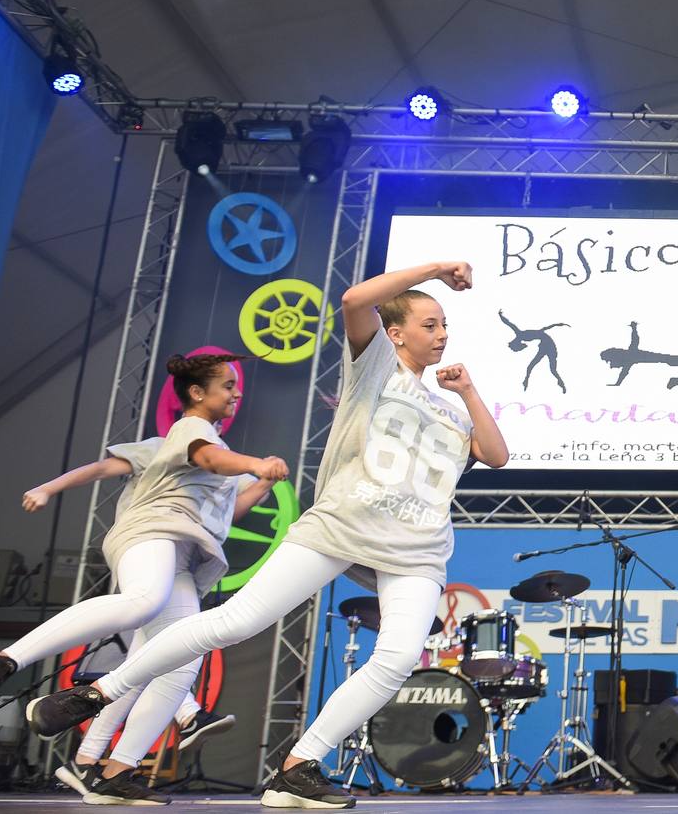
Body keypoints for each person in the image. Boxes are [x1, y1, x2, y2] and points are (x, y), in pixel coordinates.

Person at [28, 261, 509, 811]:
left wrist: (469, 391)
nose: (442, 334)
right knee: (237, 620)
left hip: (418, 548)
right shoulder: (375, 369)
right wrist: (437, 267)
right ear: (395, 333)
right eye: (430, 323)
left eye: (445, 325)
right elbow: (355, 300)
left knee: (398, 658)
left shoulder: (451, 410)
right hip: (341, 525)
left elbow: (495, 456)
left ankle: (298, 767)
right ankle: (96, 693)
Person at [1, 353, 287, 804]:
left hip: (183, 558)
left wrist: (262, 483)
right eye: (228, 385)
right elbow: (113, 468)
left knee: (180, 659)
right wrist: (48, 488)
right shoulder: (190, 432)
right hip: (150, 533)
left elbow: (225, 515)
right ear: (197, 393)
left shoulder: (218, 453)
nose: (237, 393)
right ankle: (10, 659)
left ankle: (113, 770)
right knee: (143, 601)